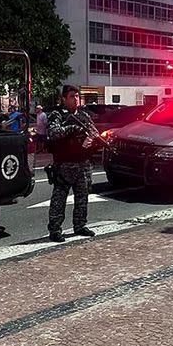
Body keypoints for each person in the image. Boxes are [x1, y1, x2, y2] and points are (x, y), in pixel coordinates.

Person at [46, 85, 98, 242]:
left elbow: (94, 132)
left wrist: (91, 140)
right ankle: (55, 230)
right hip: (65, 164)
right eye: (72, 96)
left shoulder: (83, 115)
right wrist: (73, 128)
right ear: (64, 99)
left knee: (82, 197)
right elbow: (53, 133)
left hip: (83, 163)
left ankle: (80, 225)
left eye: (77, 96)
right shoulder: (57, 115)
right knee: (59, 198)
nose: (76, 99)